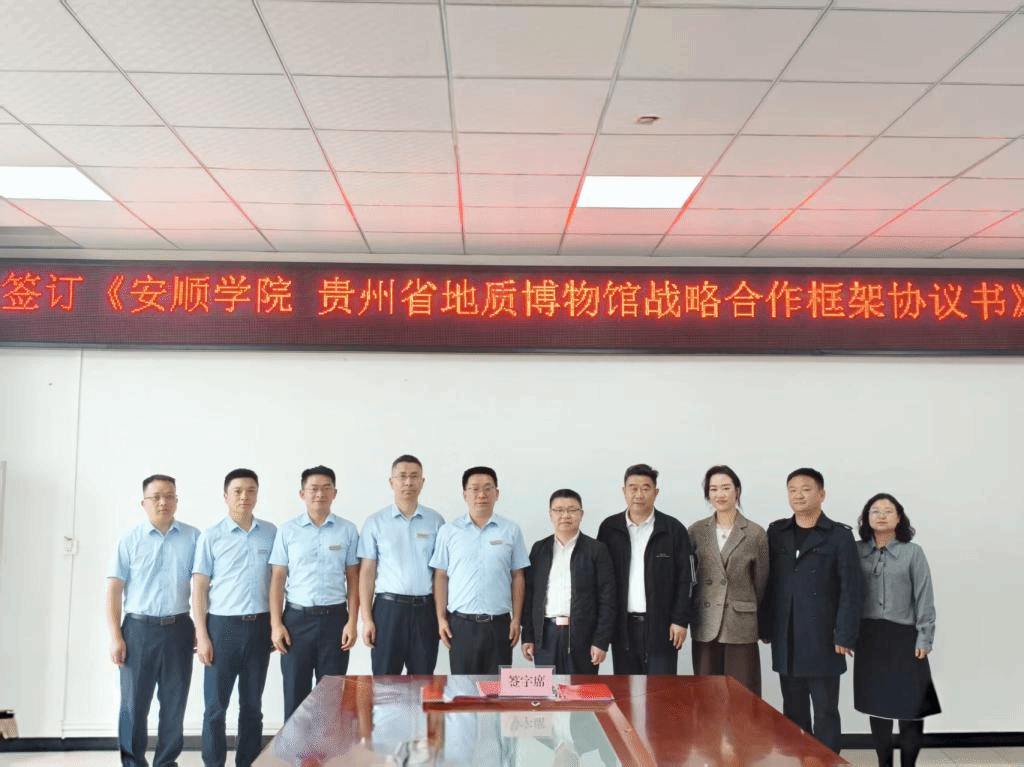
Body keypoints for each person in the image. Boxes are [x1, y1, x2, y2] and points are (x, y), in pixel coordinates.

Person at [760, 467, 862, 754]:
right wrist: (766, 627)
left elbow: (851, 589)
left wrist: (845, 634)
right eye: (792, 490)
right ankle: (798, 759)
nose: (798, 495)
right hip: (787, 636)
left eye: (806, 489)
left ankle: (827, 759)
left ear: (821, 494)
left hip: (824, 637)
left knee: (825, 709)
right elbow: (769, 583)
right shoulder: (777, 532)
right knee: (793, 708)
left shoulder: (839, 536)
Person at [107, 474, 200, 767]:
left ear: (177, 500)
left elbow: (203, 587)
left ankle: (166, 762)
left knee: (174, 704)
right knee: (133, 705)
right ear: (143, 503)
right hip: (138, 630)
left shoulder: (194, 537)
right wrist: (116, 636)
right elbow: (114, 590)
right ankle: (132, 763)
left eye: (169, 496)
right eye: (156, 497)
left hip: (179, 629)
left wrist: (201, 628)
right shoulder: (129, 540)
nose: (163, 502)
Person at [193, 468, 277, 767]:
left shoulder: (271, 533)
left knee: (252, 706)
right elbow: (199, 587)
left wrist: (275, 625)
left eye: (251, 490)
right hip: (222, 628)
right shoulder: (211, 536)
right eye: (238, 491)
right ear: (226, 496)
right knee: (215, 707)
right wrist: (202, 635)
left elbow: (277, 581)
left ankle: (247, 762)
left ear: (257, 494)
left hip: (259, 627)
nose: (244, 497)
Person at [853, 493, 940, 767]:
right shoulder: (855, 551)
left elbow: (924, 595)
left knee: (911, 708)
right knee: (877, 707)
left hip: (905, 638)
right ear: (866, 518)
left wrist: (925, 636)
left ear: (899, 517)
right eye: (875, 511)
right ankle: (884, 763)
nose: (881, 515)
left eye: (888, 510)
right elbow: (843, 593)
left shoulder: (913, 552)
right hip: (869, 638)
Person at [269, 465, 360, 718]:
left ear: (334, 493)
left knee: (331, 697)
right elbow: (277, 579)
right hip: (296, 621)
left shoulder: (348, 530)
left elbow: (353, 579)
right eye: (313, 489)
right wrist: (276, 624)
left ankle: (327, 745)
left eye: (326, 488)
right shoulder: (287, 531)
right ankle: (294, 745)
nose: (320, 494)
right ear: (302, 494)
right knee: (295, 694)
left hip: (335, 621)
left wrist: (352, 622)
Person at [430, 466, 530, 674]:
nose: (481, 495)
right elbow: (440, 576)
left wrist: (516, 619)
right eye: (474, 489)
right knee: (463, 689)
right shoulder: (449, 531)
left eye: (488, 488)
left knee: (496, 689)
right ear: (465, 494)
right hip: (460, 625)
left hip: (499, 625)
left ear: (497, 493)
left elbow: (518, 576)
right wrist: (441, 618)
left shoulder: (511, 530)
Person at [597, 463, 694, 675]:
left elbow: (686, 579)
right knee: (626, 689)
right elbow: (601, 581)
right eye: (633, 488)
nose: (639, 494)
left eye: (645, 488)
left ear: (656, 492)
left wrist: (680, 620)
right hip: (623, 627)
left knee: (661, 690)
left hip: (662, 626)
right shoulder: (609, 529)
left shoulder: (673, 529)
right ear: (624, 491)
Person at [358, 454, 445, 674]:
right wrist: (367, 620)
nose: (408, 482)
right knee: (385, 682)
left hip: (425, 610)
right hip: (388, 610)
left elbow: (440, 575)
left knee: (423, 681)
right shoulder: (375, 522)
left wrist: (441, 617)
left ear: (422, 482)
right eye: (402, 476)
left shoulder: (436, 521)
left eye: (414, 476)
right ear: (391, 482)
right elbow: (367, 573)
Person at [688, 465, 769, 695]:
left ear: (737, 491)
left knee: (742, 693)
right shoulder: (696, 531)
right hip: (705, 620)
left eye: (725, 488)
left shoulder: (755, 533)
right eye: (713, 489)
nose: (719, 494)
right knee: (707, 693)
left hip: (740, 622)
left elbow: (761, 582)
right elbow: (689, 579)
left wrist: (746, 607)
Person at [521, 488, 616, 674]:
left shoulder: (596, 550)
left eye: (572, 510)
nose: (565, 515)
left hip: (583, 635)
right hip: (546, 635)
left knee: (580, 689)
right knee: (548, 690)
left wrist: (601, 641)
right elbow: (530, 596)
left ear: (581, 514)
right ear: (550, 514)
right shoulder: (539, 549)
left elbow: (608, 599)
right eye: (559, 510)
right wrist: (528, 636)